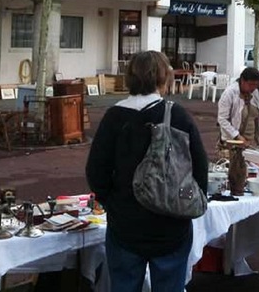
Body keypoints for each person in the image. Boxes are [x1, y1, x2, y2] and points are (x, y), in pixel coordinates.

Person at [85, 51, 208, 292]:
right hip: (171, 224)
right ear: (164, 78)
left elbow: (96, 172)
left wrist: (113, 203)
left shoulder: (114, 117)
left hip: (126, 223)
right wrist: (186, 201)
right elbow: (200, 169)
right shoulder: (178, 115)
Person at [217, 67, 259, 147]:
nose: (253, 88)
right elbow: (222, 119)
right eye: (250, 84)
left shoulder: (255, 92)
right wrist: (237, 136)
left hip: (252, 141)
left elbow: (254, 114)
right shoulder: (229, 93)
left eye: (256, 85)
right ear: (242, 80)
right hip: (233, 142)